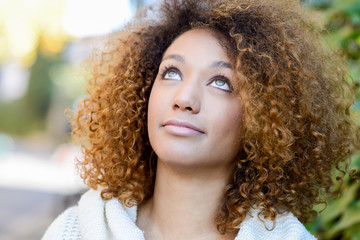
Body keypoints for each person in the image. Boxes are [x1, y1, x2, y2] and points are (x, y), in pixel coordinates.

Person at [42, 0, 360, 239]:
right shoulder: (74, 230)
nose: (184, 99)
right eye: (172, 73)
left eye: (221, 82)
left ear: (263, 116)